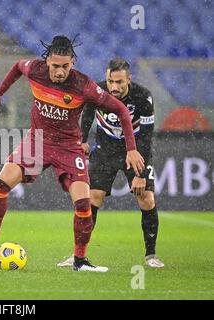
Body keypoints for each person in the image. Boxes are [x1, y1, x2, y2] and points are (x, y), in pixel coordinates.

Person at [0, 36, 145, 272]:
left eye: (65, 66)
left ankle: (80, 261)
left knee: (83, 204)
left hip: (69, 146)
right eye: (55, 66)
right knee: (1, 185)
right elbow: (17, 67)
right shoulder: (35, 69)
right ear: (47, 62)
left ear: (72, 63)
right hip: (37, 141)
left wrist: (132, 148)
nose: (60, 71)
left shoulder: (83, 85)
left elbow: (121, 109)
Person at [57, 57, 164, 268]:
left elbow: (146, 135)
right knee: (91, 198)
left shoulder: (143, 97)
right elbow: (88, 113)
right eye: (110, 81)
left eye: (119, 82)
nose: (114, 87)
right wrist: (83, 140)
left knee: (147, 199)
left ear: (129, 80)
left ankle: (151, 255)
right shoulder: (97, 91)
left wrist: (140, 174)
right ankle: (78, 255)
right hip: (105, 149)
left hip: (134, 151)